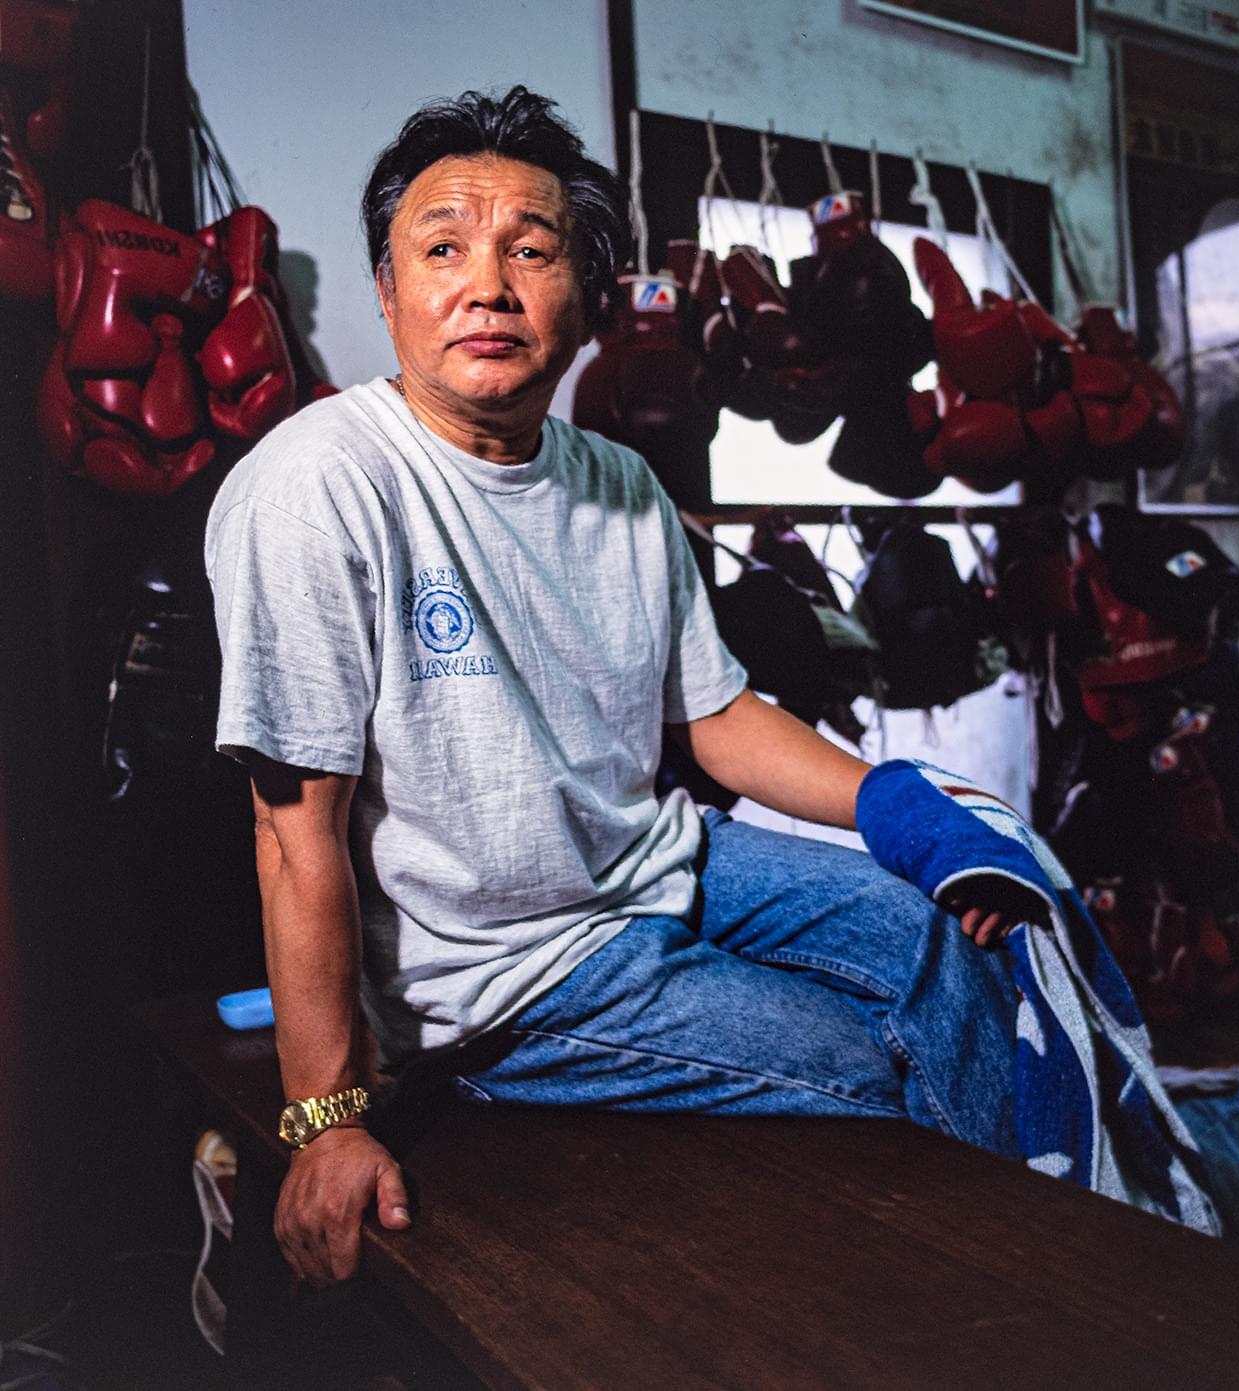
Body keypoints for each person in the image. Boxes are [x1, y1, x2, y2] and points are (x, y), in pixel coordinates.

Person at [204, 86, 1096, 1289]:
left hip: (663, 858)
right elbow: (291, 823)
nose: (488, 284)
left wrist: (900, 803)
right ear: (387, 287)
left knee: (947, 942)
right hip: (508, 964)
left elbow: (715, 719)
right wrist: (323, 1118)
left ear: (584, 292)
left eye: (531, 248)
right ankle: (1019, 1296)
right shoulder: (316, 486)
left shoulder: (619, 481)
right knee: (880, 1052)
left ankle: (1047, 1249)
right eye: (443, 247)